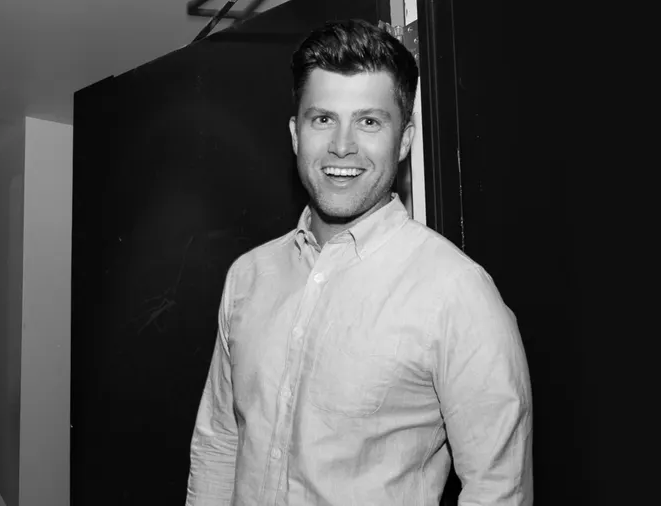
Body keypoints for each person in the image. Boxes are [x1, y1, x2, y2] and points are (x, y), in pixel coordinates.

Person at [186, 18, 532, 506]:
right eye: (322, 119)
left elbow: (498, 491)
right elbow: (219, 445)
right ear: (295, 134)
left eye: (369, 121)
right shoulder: (249, 277)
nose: (342, 145)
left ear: (404, 140)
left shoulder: (457, 293)